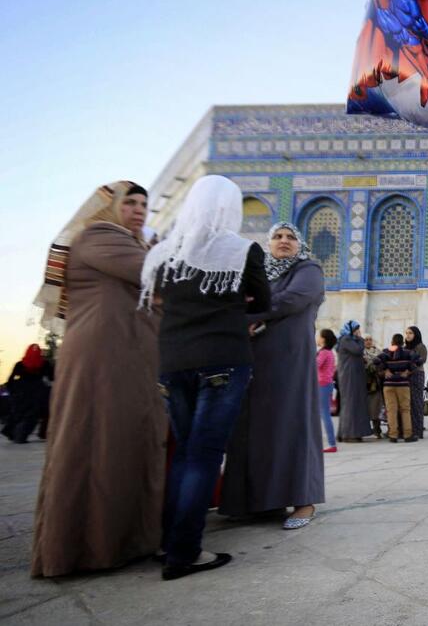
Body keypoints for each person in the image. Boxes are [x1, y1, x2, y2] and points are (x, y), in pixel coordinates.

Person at [31, 181, 167, 578]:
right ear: (110, 208)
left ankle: (124, 542)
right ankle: (81, 549)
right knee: (95, 444)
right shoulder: (99, 237)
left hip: (128, 358)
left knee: (124, 445)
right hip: (102, 360)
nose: (140, 210)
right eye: (131, 203)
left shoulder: (131, 244)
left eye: (145, 204)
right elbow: (155, 276)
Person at [141, 175, 270, 580]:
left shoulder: (163, 253)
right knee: (204, 456)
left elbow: (157, 299)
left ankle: (169, 543)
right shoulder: (240, 249)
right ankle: (184, 552)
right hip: (222, 359)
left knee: (184, 453)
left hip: (172, 363)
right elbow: (262, 300)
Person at [219, 222, 326, 531]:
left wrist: (250, 315)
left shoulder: (308, 269)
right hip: (256, 360)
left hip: (290, 361)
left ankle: (304, 499)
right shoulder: (261, 274)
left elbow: (291, 300)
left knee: (291, 424)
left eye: (290, 237)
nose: (283, 241)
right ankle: (257, 501)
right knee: (255, 428)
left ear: (299, 244)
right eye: (277, 237)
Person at [3, 345, 52, 444]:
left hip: (21, 392)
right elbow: (52, 377)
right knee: (33, 415)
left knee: (19, 414)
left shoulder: (20, 364)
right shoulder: (44, 364)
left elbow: (10, 379)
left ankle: (11, 432)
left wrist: (12, 390)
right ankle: (24, 435)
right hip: (38, 392)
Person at [377, 333, 417, 442]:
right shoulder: (407, 352)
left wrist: (385, 370)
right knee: (405, 410)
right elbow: (418, 361)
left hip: (389, 385)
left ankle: (393, 435)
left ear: (392, 341)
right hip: (403, 385)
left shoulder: (386, 351)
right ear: (402, 342)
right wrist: (408, 371)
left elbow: (376, 361)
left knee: (391, 410)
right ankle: (408, 435)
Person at [336, 321, 371, 442]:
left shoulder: (348, 340)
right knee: (351, 403)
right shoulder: (346, 339)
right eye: (356, 329)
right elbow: (357, 350)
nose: (358, 332)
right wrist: (361, 339)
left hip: (354, 375)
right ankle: (348, 434)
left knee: (355, 403)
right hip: (349, 376)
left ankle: (352, 432)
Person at [316, 330, 338, 452]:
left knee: (325, 414)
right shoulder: (329, 352)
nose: (317, 338)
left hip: (322, 385)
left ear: (323, 339)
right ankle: (329, 442)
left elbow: (315, 365)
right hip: (325, 384)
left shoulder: (324, 353)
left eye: (319, 336)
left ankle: (331, 443)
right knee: (322, 414)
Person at [405, 326, 428, 438]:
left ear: (416, 335)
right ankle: (408, 429)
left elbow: (421, 361)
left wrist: (408, 370)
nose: (408, 335)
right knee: (407, 404)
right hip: (406, 377)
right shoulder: (406, 347)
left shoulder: (420, 347)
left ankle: (418, 431)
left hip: (417, 375)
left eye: (410, 333)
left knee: (417, 404)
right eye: (407, 333)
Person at [363, 335, 384, 438]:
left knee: (376, 408)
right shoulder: (360, 352)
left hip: (376, 384)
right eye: (366, 340)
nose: (368, 341)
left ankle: (377, 430)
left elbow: (382, 364)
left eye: (370, 339)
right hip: (364, 384)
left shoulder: (378, 352)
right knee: (365, 408)